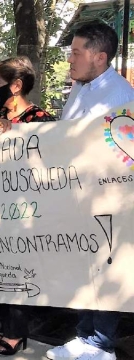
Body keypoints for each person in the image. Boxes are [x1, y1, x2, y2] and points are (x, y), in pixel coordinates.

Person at [46, 22, 134, 360]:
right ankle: (84, 336)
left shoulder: (120, 95)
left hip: (105, 200)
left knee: (104, 267)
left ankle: (102, 343)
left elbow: (122, 153)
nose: (70, 59)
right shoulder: (81, 88)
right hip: (75, 196)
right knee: (83, 267)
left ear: (99, 56)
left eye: (76, 52)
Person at [0, 56, 55, 355]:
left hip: (25, 212)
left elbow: (46, 164)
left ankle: (17, 333)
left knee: (19, 270)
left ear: (16, 85)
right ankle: (1, 326)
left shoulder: (39, 119)